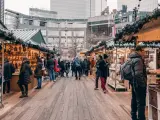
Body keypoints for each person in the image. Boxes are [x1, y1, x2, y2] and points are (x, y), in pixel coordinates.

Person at [128, 46, 147, 120]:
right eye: (143, 51)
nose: (144, 52)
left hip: (133, 83)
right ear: (139, 51)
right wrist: (142, 84)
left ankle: (133, 116)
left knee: (134, 100)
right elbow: (138, 74)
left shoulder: (131, 58)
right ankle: (141, 118)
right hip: (138, 84)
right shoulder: (138, 60)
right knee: (141, 103)